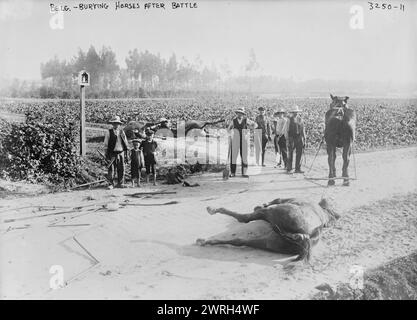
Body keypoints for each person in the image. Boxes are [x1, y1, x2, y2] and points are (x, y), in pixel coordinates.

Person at [227, 107, 257, 178]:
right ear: (237, 113)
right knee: (233, 156)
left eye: (241, 113)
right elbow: (228, 129)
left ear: (243, 114)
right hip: (235, 140)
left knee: (244, 156)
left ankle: (244, 172)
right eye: (238, 113)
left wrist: (250, 129)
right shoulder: (233, 121)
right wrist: (231, 134)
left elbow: (255, 125)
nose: (239, 114)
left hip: (244, 140)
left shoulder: (246, 120)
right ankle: (233, 172)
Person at [103, 115, 129, 188]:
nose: (116, 125)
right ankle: (111, 184)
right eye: (114, 123)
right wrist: (106, 153)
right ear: (112, 124)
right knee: (111, 169)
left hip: (121, 152)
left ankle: (120, 183)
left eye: (117, 123)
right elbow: (106, 143)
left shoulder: (122, 132)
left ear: (119, 124)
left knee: (121, 168)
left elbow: (126, 143)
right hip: (112, 153)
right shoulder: (109, 132)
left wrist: (126, 153)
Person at [284, 105, 306, 173]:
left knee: (299, 153)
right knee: (290, 153)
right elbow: (286, 130)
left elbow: (303, 130)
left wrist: (304, 138)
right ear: (292, 112)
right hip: (291, 138)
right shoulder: (289, 120)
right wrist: (287, 139)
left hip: (299, 138)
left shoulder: (300, 119)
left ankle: (297, 168)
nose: (295, 113)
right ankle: (289, 168)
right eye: (294, 112)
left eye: (296, 112)